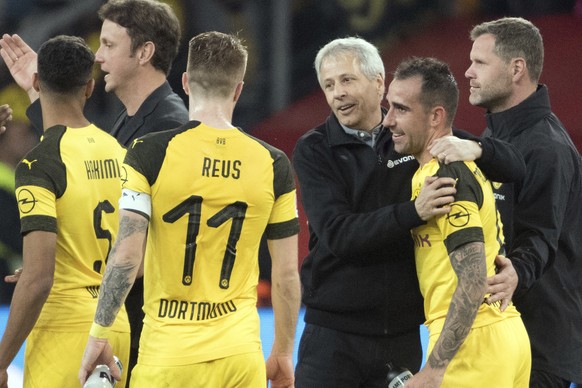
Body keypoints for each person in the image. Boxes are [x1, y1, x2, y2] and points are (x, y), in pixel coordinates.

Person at [292, 36, 526, 387]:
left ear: (377, 82)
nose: (336, 92)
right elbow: (338, 235)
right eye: (328, 84)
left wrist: (475, 147)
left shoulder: (414, 136)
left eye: (346, 80)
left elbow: (515, 168)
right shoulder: (315, 149)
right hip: (332, 337)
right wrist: (413, 212)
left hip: (400, 339)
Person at [78, 31, 301, 388]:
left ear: (183, 82)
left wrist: (99, 335)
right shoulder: (273, 163)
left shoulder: (149, 152)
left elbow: (126, 256)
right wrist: (284, 352)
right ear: (239, 89)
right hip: (239, 357)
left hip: (167, 358)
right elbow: (286, 275)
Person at [0, 1, 189, 381]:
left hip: (103, 327)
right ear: (87, 88)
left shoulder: (168, 127)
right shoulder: (117, 140)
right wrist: (43, 95)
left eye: (108, 44)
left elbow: (163, 242)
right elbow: (77, 153)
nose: (99, 56)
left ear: (144, 52)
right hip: (113, 324)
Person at [384, 56, 531, 387]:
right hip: (502, 333)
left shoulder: (442, 174)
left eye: (401, 109)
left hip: (473, 347)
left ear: (436, 116)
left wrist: (435, 367)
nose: (388, 120)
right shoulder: (457, 164)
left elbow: (473, 278)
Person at [0, 35, 130, 388]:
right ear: (89, 88)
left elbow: (40, 279)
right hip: (115, 326)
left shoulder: (39, 164)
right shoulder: (119, 152)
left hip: (64, 330)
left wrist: (1, 362)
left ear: (38, 82)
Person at [460, 17, 581, 387]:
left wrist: (517, 271)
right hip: (502, 338)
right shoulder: (496, 135)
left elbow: (540, 237)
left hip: (539, 349)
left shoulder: (547, 148)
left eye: (480, 62)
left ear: (516, 69)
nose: (467, 72)